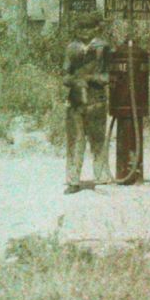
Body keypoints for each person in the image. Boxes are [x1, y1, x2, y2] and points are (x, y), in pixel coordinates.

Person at [62, 29, 111, 194]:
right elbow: (65, 76)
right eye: (81, 27)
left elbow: (110, 76)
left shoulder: (103, 47)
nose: (84, 31)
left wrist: (91, 78)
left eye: (88, 26)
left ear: (96, 28)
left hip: (96, 101)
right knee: (75, 141)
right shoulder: (72, 48)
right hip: (75, 102)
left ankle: (102, 179)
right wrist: (74, 81)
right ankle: (73, 181)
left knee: (98, 141)